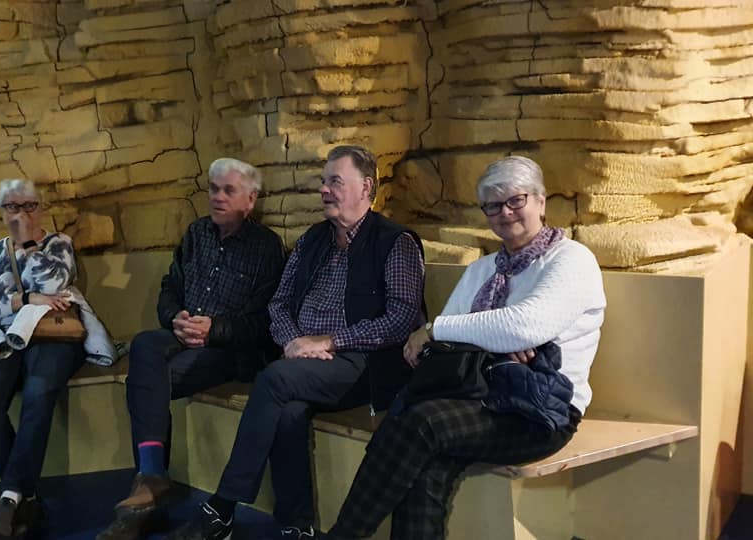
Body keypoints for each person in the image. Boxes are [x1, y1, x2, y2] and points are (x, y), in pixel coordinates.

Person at [324, 156, 607, 539]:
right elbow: (447, 348)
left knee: (422, 424)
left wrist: (437, 329)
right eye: (493, 205)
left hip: (539, 411)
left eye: (515, 200)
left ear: (540, 202)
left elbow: (525, 325)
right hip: (474, 396)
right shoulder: (482, 270)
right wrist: (494, 346)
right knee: (423, 457)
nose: (505, 213)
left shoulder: (571, 260)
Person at [167, 145, 425, 540]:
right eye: (323, 182)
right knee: (288, 412)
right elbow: (279, 303)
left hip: (365, 364)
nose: (324, 189)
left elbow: (400, 319)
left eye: (335, 181)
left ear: (365, 186)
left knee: (275, 379)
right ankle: (296, 525)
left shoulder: (396, 242)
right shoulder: (312, 240)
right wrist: (293, 342)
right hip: (304, 360)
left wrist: (330, 341)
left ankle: (221, 509)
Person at [97, 158, 286, 540]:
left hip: (228, 350)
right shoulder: (196, 233)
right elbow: (171, 287)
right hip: (183, 335)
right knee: (144, 343)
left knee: (146, 382)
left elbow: (265, 324)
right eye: (213, 189)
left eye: (228, 190)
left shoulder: (267, 248)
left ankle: (147, 490)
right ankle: (152, 479)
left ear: (250, 200)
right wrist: (175, 318)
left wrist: (215, 329)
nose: (217, 197)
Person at [0, 178, 121, 538]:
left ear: (41, 209)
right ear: (2, 212)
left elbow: (56, 286)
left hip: (55, 337)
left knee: (38, 393)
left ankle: (9, 496)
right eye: (13, 206)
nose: (22, 214)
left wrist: (28, 245)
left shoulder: (59, 243)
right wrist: (24, 300)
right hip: (6, 337)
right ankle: (28, 498)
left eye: (30, 206)